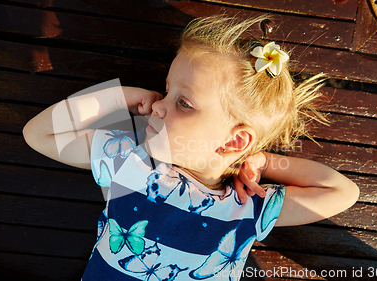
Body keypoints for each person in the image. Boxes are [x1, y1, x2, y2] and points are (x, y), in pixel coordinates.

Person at [23, 15, 359, 281]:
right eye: (166, 90)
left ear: (234, 141)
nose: (157, 105)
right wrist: (121, 97)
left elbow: (341, 191)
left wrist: (263, 161)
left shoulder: (246, 206)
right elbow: (39, 135)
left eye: (183, 102)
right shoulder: (131, 162)